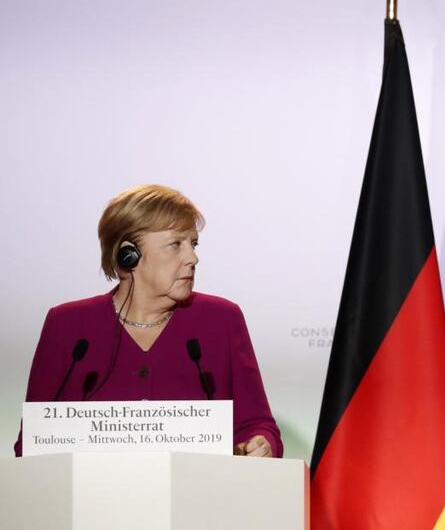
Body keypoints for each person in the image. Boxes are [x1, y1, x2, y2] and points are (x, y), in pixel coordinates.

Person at [14, 185, 282, 458]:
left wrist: (261, 443)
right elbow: (32, 442)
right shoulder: (67, 326)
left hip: (199, 486)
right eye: (176, 245)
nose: (193, 258)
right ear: (129, 255)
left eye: (193, 244)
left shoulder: (221, 320)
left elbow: (256, 423)